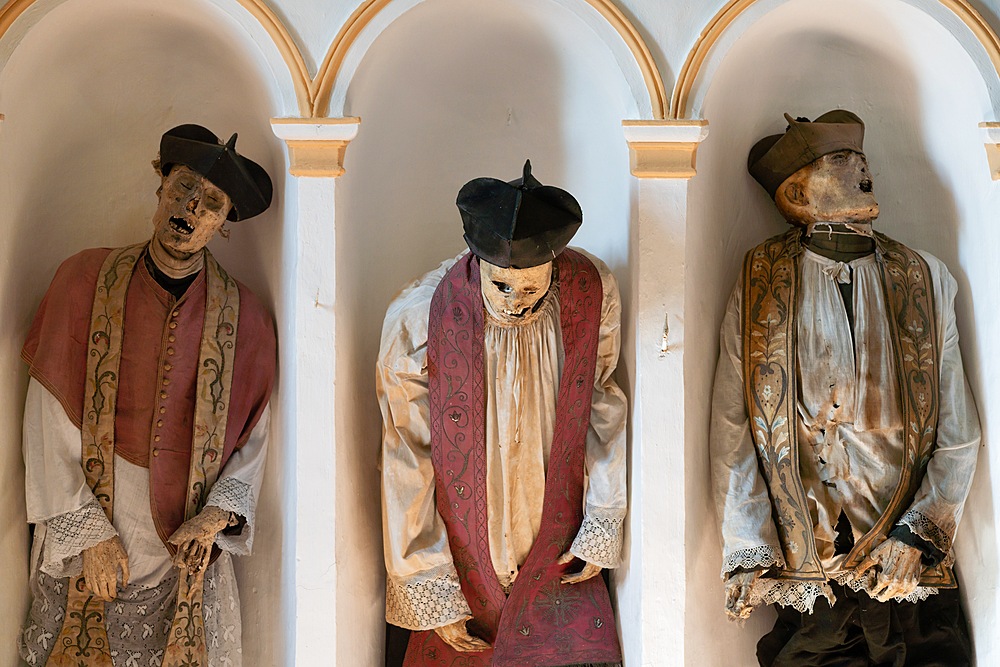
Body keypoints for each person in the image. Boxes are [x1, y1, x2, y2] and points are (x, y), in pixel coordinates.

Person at [710, 110, 981, 666]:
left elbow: (958, 430)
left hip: (909, 573)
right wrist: (746, 545)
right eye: (841, 159)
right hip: (810, 579)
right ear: (797, 193)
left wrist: (919, 535)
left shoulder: (925, 276)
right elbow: (732, 428)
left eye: (862, 157)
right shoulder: (760, 280)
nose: (863, 169)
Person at [18, 124, 276, 667]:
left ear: (223, 224)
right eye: (183, 187)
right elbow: (48, 411)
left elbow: (254, 434)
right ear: (159, 186)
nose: (190, 208)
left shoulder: (246, 316)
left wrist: (216, 517)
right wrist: (87, 533)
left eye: (210, 203)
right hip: (94, 513)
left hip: (187, 536)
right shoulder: (82, 279)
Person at [378, 161, 626, 666]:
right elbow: (406, 452)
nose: (514, 302)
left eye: (531, 289)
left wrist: (602, 520)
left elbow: (602, 402)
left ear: (554, 268)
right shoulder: (420, 318)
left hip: (559, 547)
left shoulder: (590, 293)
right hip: (464, 558)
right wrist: (429, 586)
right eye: (501, 286)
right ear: (477, 261)